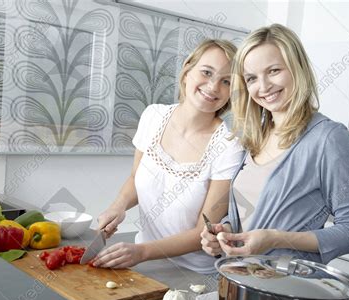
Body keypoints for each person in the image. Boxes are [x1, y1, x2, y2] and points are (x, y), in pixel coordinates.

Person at [201, 24, 349, 264]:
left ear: (297, 68)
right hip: (241, 284)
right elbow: (252, 212)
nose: (263, 86)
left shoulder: (327, 138)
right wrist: (226, 230)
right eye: (252, 78)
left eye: (273, 71)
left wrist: (276, 239)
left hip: (289, 290)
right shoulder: (256, 136)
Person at [93, 40, 244, 274]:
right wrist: (118, 206)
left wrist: (142, 252)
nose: (214, 86)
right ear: (187, 71)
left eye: (226, 81)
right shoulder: (153, 116)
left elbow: (201, 232)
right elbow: (136, 177)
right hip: (145, 261)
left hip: (194, 272)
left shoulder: (229, 145)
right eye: (206, 72)